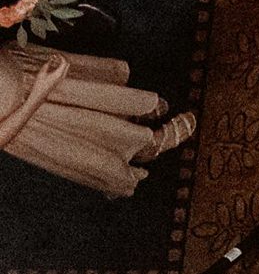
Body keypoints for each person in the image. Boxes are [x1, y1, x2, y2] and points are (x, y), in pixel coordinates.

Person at [0, 46, 193, 198]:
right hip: (29, 117)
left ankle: (126, 111)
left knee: (87, 93)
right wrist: (38, 94)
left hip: (17, 70)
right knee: (85, 132)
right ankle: (142, 148)